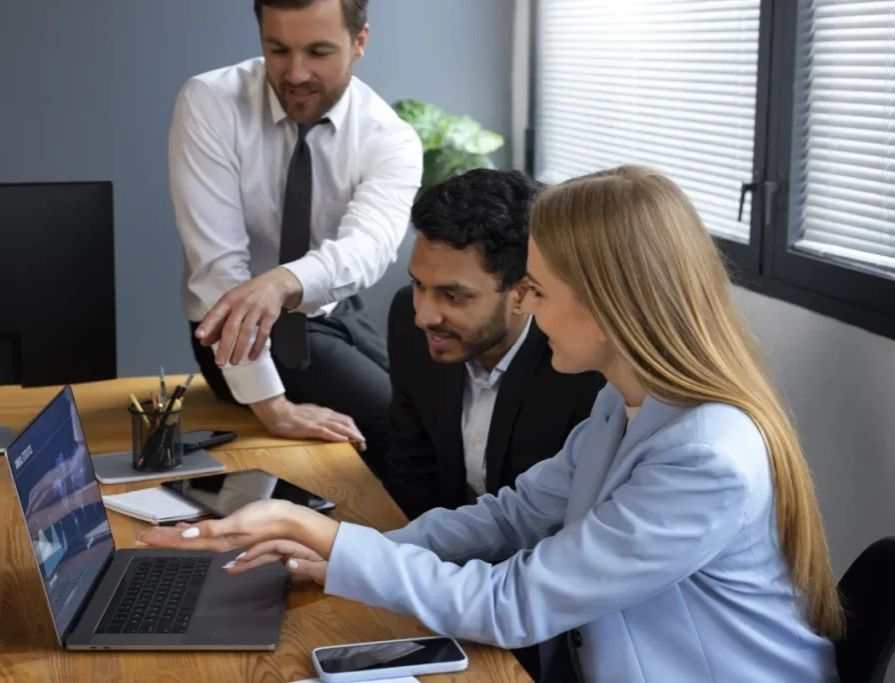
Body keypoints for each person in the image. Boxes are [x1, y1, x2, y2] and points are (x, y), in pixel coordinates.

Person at [141, 165, 844, 683]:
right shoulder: (624, 404)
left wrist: (333, 540)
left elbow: (515, 602)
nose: (528, 310)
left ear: (609, 303)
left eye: (538, 289)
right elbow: (509, 517)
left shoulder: (705, 457)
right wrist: (344, 553)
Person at [169, 0, 423, 476]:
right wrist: (273, 407)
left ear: (359, 42)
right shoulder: (210, 101)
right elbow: (216, 267)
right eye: (278, 49)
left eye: (319, 52)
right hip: (233, 327)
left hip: (331, 312)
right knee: (395, 430)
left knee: (429, 414)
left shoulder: (389, 137)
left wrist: (282, 282)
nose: (297, 73)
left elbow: (370, 246)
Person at [384, 168, 604, 523]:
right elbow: (410, 462)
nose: (424, 316)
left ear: (522, 293)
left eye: (453, 296)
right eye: (418, 285)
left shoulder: (581, 363)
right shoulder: (407, 322)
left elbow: (567, 522)